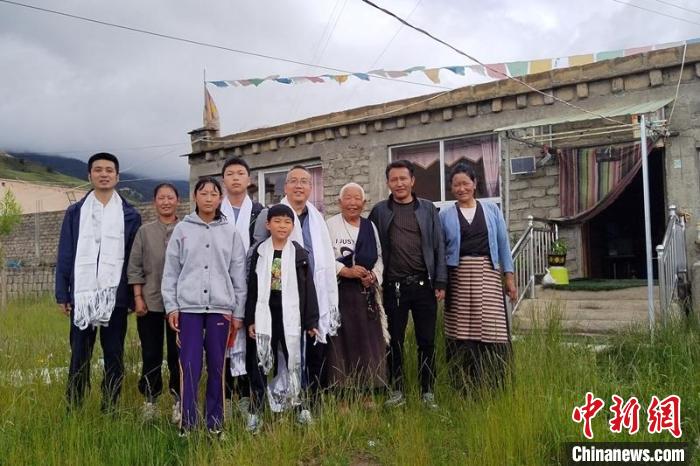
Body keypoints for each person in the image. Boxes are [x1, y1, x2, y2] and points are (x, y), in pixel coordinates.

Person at [56, 152, 142, 411]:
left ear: (117, 176)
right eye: (98, 170)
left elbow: (133, 258)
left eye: (109, 170)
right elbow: (66, 253)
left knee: (114, 354)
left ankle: (110, 406)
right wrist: (62, 293)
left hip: (115, 296)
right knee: (79, 354)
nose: (104, 174)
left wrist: (131, 296)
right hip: (82, 296)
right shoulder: (75, 212)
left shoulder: (130, 214)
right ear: (89, 175)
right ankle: (75, 406)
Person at [162, 177, 247, 436]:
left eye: (213, 194)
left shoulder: (230, 232)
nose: (208, 198)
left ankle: (215, 423)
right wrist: (172, 307)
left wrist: (238, 313)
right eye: (203, 193)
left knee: (217, 367)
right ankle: (188, 423)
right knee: (189, 366)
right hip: (189, 309)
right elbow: (171, 271)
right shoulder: (182, 230)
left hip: (220, 309)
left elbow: (238, 274)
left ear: (220, 198)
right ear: (195, 197)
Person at [252, 165, 339, 422]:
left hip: (311, 296)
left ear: (311, 188)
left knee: (312, 353)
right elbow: (258, 262)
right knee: (276, 353)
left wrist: (312, 313)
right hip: (275, 302)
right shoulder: (272, 215)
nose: (299, 186)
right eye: (294, 181)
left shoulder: (317, 218)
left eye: (304, 181)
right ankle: (273, 402)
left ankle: (308, 402)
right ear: (285, 186)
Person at [368, 160, 447, 409]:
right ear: (388, 183)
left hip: (424, 285)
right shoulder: (380, 211)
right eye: (394, 179)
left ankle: (427, 391)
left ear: (412, 180)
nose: (399, 183)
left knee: (427, 341)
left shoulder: (427, 209)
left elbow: (438, 245)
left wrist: (441, 280)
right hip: (394, 287)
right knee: (394, 341)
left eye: (403, 178)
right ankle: (397, 389)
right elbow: (371, 246)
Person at [439, 163, 516, 393]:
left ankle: (496, 384)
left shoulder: (491, 210)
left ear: (474, 184)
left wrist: (509, 277)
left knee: (493, 327)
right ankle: (463, 385)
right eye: (456, 184)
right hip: (458, 275)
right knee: (461, 330)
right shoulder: (444, 215)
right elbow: (440, 250)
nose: (461, 188)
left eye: (466, 183)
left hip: (488, 273)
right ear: (451, 188)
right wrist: (441, 282)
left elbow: (503, 244)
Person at [245, 204, 320, 433]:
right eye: (277, 221)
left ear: (292, 226)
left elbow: (308, 289)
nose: (282, 226)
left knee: (295, 362)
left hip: (292, 317)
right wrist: (250, 319)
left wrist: (311, 321)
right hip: (265, 315)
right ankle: (256, 411)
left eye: (287, 222)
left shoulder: (299, 253)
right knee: (259, 363)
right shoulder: (259, 252)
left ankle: (300, 408)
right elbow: (252, 288)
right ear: (268, 224)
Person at [325, 183, 388, 396]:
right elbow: (323, 257)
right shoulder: (330, 225)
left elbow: (379, 257)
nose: (352, 203)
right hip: (340, 294)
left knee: (367, 343)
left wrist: (373, 276)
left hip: (365, 296)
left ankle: (368, 391)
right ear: (339, 202)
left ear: (364, 203)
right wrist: (346, 271)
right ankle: (343, 394)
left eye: (357, 199)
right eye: (348, 198)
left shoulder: (370, 227)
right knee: (341, 344)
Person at [127, 183, 181, 423]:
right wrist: (138, 298)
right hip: (150, 303)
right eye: (161, 198)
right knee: (151, 353)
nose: (166, 202)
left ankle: (179, 400)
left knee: (178, 354)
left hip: (180, 305)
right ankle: (150, 401)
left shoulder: (186, 229)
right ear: (154, 202)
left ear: (177, 201)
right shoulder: (144, 232)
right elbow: (134, 267)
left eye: (170, 197)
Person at [219, 157, 264, 419]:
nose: (235, 178)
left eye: (240, 173)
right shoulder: (214, 210)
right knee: (221, 337)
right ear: (223, 180)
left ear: (249, 179)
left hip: (251, 285)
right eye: (230, 173)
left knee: (250, 338)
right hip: (220, 286)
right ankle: (224, 394)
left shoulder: (260, 212)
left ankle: (247, 395)